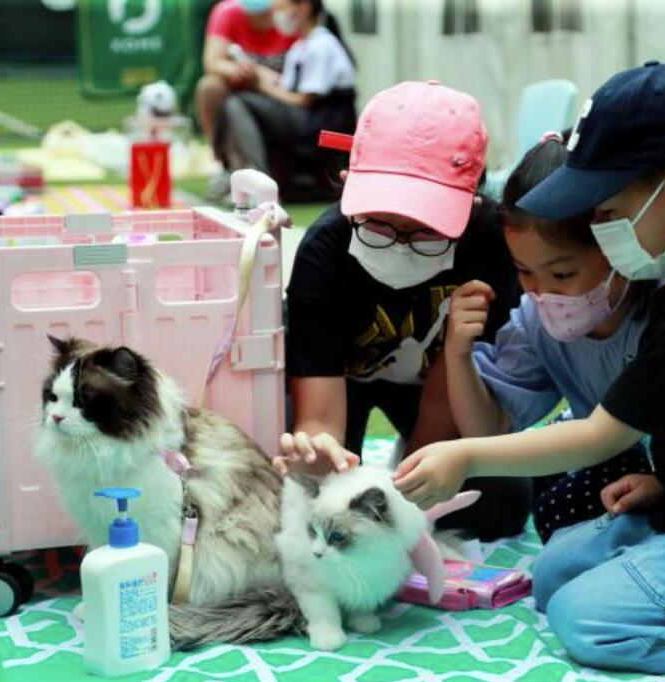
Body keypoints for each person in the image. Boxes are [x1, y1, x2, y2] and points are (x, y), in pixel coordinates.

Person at [391, 62, 665, 674]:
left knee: (583, 620)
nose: (600, 231)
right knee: (552, 575)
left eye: (606, 211)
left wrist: (465, 456)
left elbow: (601, 436)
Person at [277, 80, 531, 541]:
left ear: (471, 201)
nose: (400, 243)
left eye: (426, 230)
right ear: (348, 184)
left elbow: (445, 395)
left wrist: (410, 486)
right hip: (339, 384)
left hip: (438, 388)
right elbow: (320, 415)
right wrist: (318, 451)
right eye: (378, 225)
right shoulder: (325, 249)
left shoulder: (491, 245)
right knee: (300, 492)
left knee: (500, 502)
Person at [446, 133, 654, 544]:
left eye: (562, 273)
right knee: (521, 492)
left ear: (617, 246)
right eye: (524, 271)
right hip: (606, 453)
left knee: (561, 518)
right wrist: (457, 353)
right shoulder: (535, 319)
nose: (542, 292)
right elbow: (488, 429)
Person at [214, 0, 357, 197]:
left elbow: (304, 100)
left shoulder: (322, 44)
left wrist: (259, 85)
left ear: (304, 7)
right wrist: (258, 75)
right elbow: (286, 88)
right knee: (236, 103)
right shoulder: (299, 46)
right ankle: (243, 174)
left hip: (319, 125)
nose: (277, 16)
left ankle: (260, 183)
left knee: (237, 103)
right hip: (303, 120)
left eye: (281, 9)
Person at [196, 0, 297, 154]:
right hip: (243, 88)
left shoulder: (291, 12)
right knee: (209, 87)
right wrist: (243, 71)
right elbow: (212, 62)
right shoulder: (226, 12)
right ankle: (220, 156)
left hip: (283, 94)